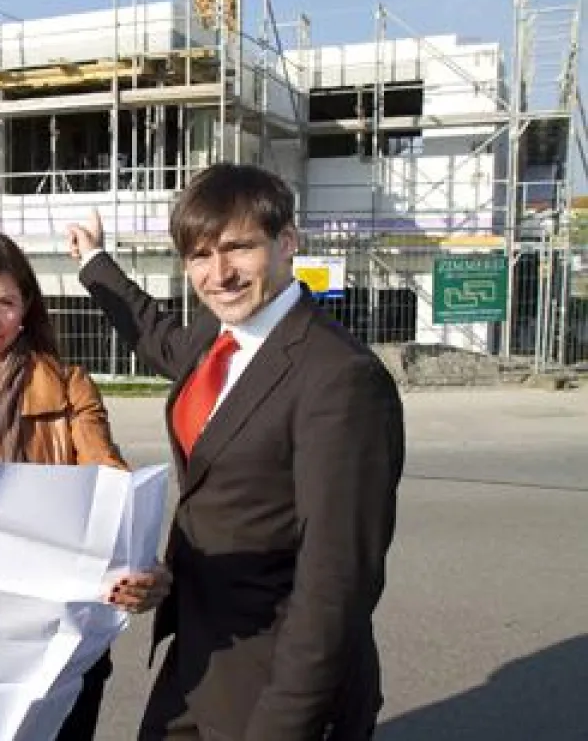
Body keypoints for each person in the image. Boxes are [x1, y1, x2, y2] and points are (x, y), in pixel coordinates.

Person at [67, 163, 406, 741]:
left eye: (238, 248)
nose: (218, 273)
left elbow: (336, 581)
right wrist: (95, 265)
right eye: (199, 255)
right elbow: (159, 337)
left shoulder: (340, 379)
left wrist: (283, 723)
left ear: (287, 243)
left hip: (278, 680)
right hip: (200, 654)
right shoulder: (217, 334)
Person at [0, 231, 164, 741]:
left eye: (5, 304)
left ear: (26, 308)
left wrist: (141, 558)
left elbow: (110, 480)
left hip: (52, 633)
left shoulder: (68, 385)